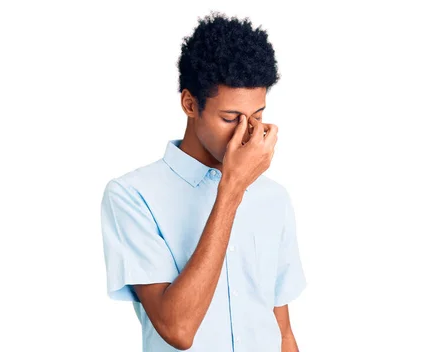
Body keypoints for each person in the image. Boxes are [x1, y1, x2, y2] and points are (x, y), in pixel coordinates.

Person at [100, 11, 306, 352]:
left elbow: (281, 331)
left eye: (257, 116)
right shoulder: (132, 196)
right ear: (190, 104)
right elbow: (177, 329)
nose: (249, 132)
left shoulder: (274, 198)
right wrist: (232, 189)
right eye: (231, 118)